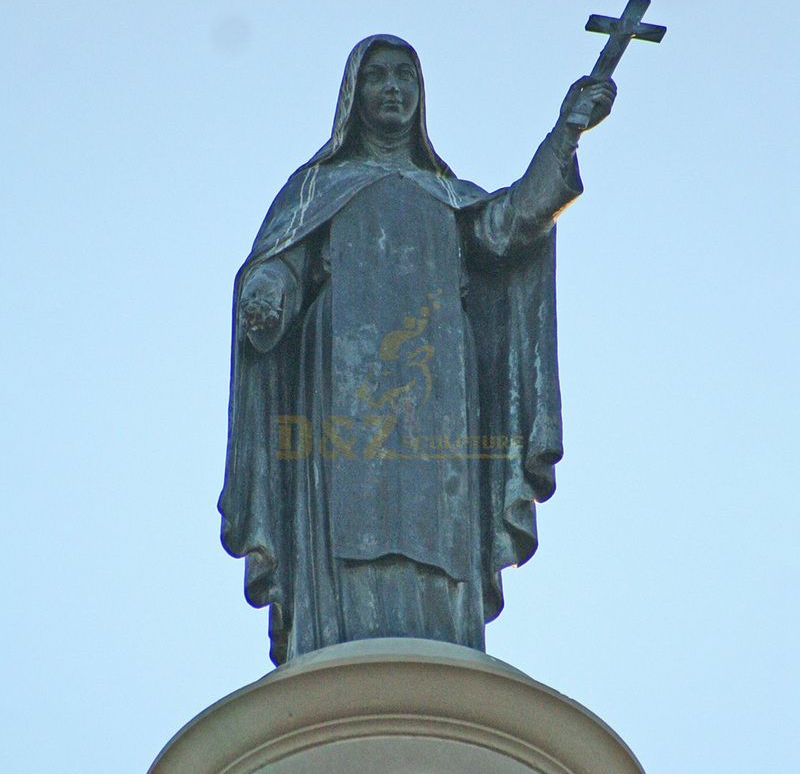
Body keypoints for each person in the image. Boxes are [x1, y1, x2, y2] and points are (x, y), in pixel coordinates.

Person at [219, 34, 615, 666]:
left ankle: (441, 642)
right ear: (355, 94)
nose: (394, 88)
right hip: (341, 369)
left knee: (440, 515)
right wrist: (268, 288)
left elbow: (510, 225)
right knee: (348, 510)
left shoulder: (448, 195)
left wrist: (566, 133)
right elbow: (282, 265)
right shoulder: (317, 186)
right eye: (378, 77)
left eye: (406, 77)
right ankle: (338, 636)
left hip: (438, 381)